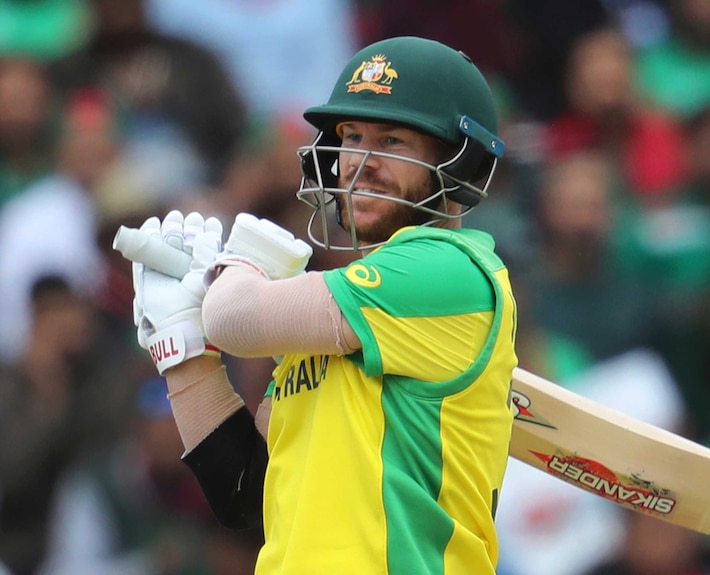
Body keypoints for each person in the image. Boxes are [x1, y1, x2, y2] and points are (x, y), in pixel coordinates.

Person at [119, 36, 517, 575]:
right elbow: (244, 492)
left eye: (393, 141)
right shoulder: (337, 319)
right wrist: (181, 345)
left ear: (457, 162)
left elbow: (234, 319)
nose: (360, 163)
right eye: (353, 138)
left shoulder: (450, 270)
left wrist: (242, 260)